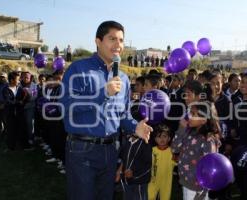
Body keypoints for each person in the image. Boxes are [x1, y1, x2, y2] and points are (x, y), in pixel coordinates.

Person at [59, 21, 153, 200]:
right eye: (112, 39)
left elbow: (123, 115)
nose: (118, 45)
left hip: (111, 151)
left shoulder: (124, 78)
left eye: (121, 40)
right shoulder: (79, 69)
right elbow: (67, 105)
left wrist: (135, 127)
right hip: (82, 150)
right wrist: (103, 93)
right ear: (98, 41)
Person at [171, 80, 219, 200]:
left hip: (198, 186)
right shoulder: (190, 126)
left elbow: (210, 167)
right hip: (187, 180)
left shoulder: (207, 138)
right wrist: (182, 130)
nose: (185, 97)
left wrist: (204, 191)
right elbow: (175, 147)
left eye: (188, 93)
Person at [116, 134, 152, 200]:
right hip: (126, 181)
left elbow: (148, 165)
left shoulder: (145, 144)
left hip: (139, 182)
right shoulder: (127, 142)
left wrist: (134, 173)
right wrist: (119, 171)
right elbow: (123, 159)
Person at [148, 124, 176, 200]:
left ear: (169, 138)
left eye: (164, 136)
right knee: (150, 197)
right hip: (152, 181)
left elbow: (177, 162)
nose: (162, 139)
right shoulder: (152, 150)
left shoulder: (172, 151)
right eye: (159, 136)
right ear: (155, 139)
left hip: (166, 182)